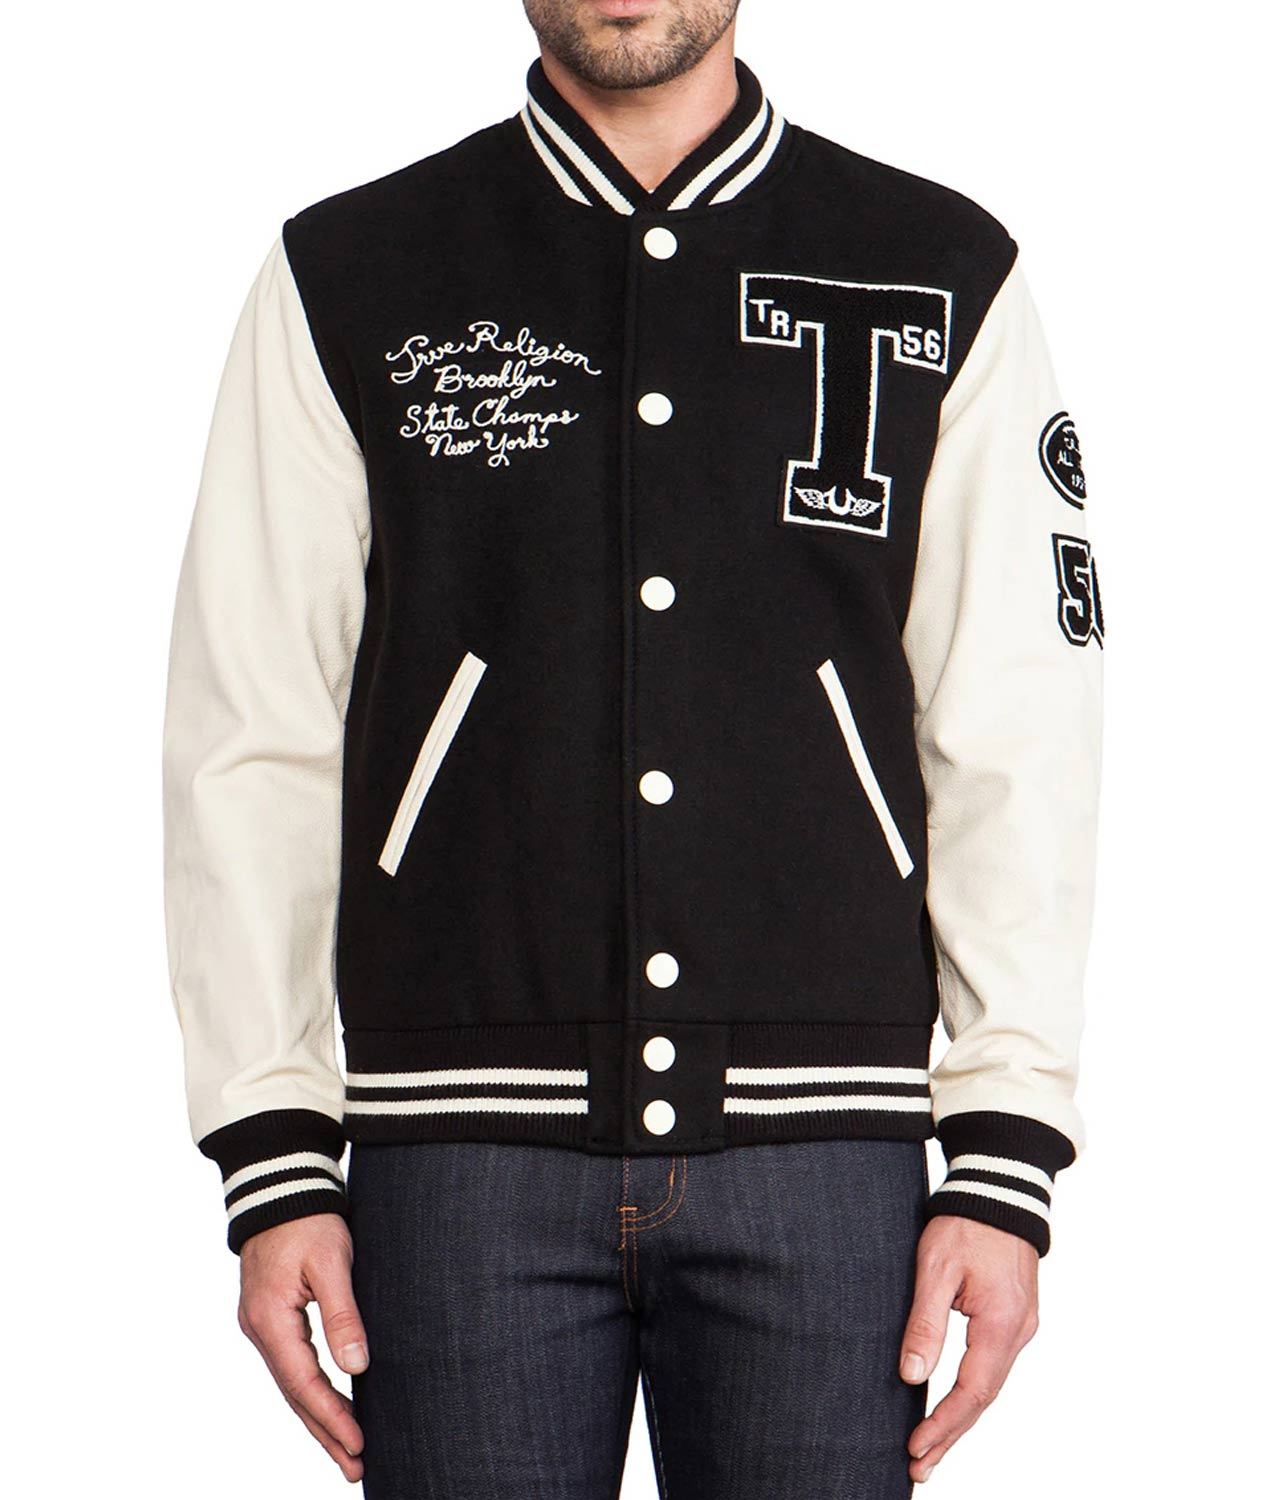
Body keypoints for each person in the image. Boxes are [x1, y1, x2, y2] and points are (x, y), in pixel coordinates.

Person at [161, 2, 1103, 1495]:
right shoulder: (350, 273)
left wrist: (1004, 1151)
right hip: (455, 1155)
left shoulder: (940, 266)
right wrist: (271, 1153)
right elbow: (250, 728)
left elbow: (1017, 729)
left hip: (830, 1156)